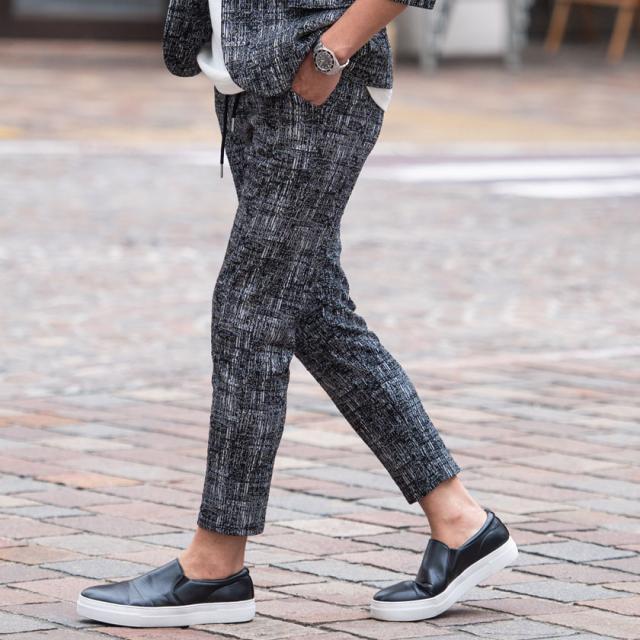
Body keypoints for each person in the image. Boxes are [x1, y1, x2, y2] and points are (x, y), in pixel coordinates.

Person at [76, 0, 518, 628]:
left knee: (249, 310)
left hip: (318, 85)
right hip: (251, 88)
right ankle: (461, 522)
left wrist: (333, 51)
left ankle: (215, 564)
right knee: (314, 314)